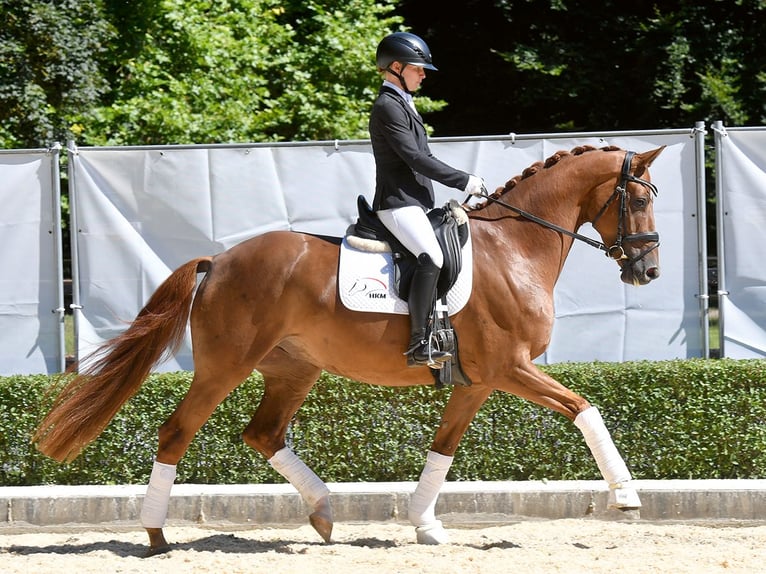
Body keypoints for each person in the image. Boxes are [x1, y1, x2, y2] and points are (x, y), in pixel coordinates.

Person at [370, 31, 485, 368]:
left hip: (416, 203)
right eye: (418, 68)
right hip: (397, 202)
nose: (423, 74)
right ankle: (420, 343)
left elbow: (426, 156)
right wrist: (465, 180)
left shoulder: (405, 104)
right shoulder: (387, 107)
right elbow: (416, 159)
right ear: (395, 67)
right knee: (431, 256)